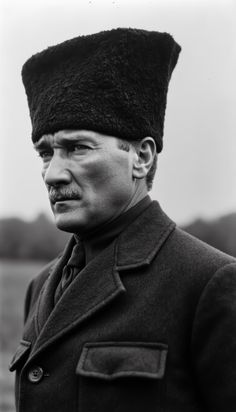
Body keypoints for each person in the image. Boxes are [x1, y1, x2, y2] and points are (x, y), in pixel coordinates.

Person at [9, 28, 236, 412]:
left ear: (142, 157)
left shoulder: (210, 284)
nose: (52, 174)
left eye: (77, 147)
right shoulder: (42, 284)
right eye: (45, 153)